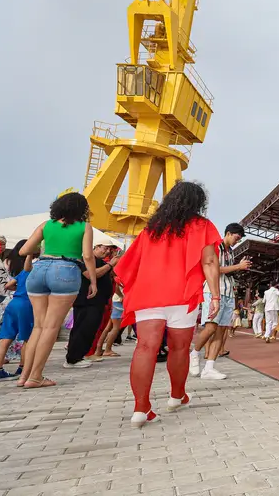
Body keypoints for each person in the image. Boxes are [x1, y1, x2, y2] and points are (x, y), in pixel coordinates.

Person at [114, 180, 222, 428]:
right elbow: (209, 262)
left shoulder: (151, 229)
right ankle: (177, 396)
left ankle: (141, 408)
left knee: (144, 348)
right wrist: (215, 296)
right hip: (182, 295)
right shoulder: (202, 226)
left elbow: (129, 265)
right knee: (179, 348)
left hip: (148, 294)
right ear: (198, 203)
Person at [19, 192, 98, 389]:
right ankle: (36, 377)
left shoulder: (46, 225)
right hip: (66, 269)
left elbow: (23, 250)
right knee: (51, 327)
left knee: (38, 326)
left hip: (39, 270)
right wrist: (93, 281)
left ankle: (24, 376)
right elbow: (88, 256)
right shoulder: (84, 227)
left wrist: (43, 247)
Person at [189, 223, 250, 380]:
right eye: (236, 238)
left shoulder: (230, 252)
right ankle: (194, 353)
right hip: (213, 291)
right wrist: (238, 266)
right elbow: (214, 268)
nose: (237, 241)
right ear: (228, 233)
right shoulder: (215, 247)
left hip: (229, 292)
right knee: (210, 327)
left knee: (222, 330)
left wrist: (238, 266)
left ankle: (209, 367)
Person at [63, 237, 119, 368]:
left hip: (98, 301)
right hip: (87, 301)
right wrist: (110, 265)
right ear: (96, 246)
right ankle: (73, 358)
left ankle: (80, 355)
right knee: (82, 329)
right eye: (105, 248)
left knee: (90, 329)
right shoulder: (85, 259)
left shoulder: (100, 261)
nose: (107, 252)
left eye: (109, 249)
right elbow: (91, 274)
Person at [0, 241, 36, 380]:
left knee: (5, 338)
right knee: (28, 338)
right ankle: (22, 368)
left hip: (13, 302)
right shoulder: (39, 269)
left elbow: (8, 285)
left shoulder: (23, 272)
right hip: (27, 304)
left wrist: (19, 289)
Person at [93, 281, 124, 359]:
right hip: (119, 301)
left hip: (116, 300)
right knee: (116, 328)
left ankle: (99, 349)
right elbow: (117, 287)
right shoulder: (120, 274)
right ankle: (108, 349)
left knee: (108, 328)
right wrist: (122, 296)